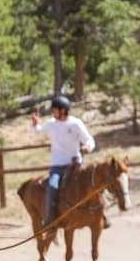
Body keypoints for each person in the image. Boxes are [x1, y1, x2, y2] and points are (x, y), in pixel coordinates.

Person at [30, 94, 95, 230]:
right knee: (52, 187)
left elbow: (89, 140)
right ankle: (50, 220)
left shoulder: (76, 123)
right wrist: (35, 124)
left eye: (55, 110)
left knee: (91, 183)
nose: (53, 112)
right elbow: (37, 132)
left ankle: (101, 215)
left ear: (63, 110)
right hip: (57, 166)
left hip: (75, 164)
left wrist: (87, 147)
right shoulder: (51, 124)